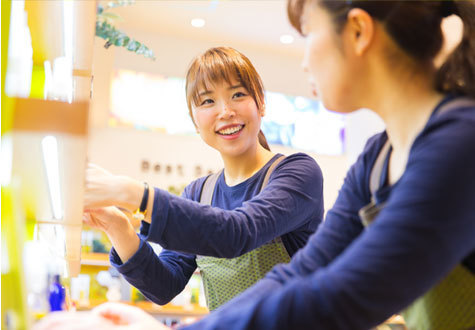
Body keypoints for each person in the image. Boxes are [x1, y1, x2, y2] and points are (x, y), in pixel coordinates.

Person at [35, 0, 475, 329]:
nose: (303, 60)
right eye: (207, 102)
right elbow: (301, 274)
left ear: (357, 31)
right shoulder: (378, 157)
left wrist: (134, 192)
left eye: (307, 34)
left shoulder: (456, 144)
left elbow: (340, 293)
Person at [82, 47, 324, 311]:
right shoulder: (199, 192)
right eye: (208, 101)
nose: (225, 111)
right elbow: (163, 286)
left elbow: (237, 233)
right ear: (195, 122)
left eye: (238, 95)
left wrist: (129, 192)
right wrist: (117, 225)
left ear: (261, 103)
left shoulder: (297, 173)